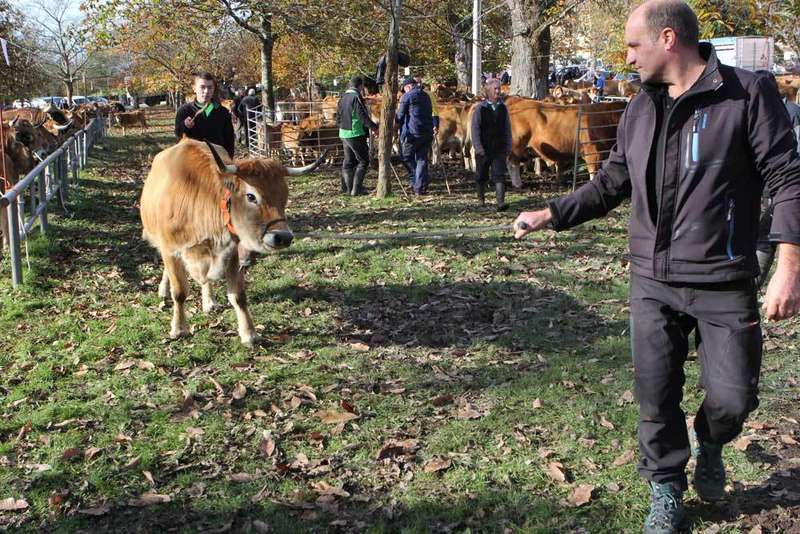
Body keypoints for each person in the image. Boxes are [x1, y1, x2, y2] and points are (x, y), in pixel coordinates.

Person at [513, 1, 800, 532]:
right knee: (655, 394)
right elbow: (611, 184)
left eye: (631, 46)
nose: (626, 58)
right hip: (652, 279)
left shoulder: (746, 95)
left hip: (723, 277)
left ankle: (711, 440)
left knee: (735, 397)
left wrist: (788, 265)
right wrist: (552, 212)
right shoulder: (639, 109)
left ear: (668, 39)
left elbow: (788, 180)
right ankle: (666, 489)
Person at [754, 70, 800, 289]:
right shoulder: (760, 111)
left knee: (768, 236)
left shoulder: (791, 112)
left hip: (786, 186)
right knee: (765, 235)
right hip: (767, 186)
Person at [471, 78, 512, 211]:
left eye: (499, 88)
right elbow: (475, 129)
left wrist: (508, 146)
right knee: (481, 175)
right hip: (484, 148)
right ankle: (481, 200)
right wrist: (478, 147)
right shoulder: (480, 108)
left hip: (499, 147)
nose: (498, 91)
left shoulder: (503, 108)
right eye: (495, 89)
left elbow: (507, 128)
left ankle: (500, 202)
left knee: (499, 174)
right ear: (488, 91)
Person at [175, 72, 235, 158]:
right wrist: (184, 126)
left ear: (214, 89)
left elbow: (229, 140)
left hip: (218, 161)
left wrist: (229, 161)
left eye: (210, 87)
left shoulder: (223, 112)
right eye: (202, 87)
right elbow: (178, 135)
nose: (206, 91)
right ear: (194, 88)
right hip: (192, 160)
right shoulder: (184, 111)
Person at [336, 76, 378, 196]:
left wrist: (341, 127)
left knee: (349, 161)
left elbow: (337, 117)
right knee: (363, 161)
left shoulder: (342, 98)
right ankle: (356, 189)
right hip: (355, 132)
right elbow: (362, 116)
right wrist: (374, 128)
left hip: (343, 132)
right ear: (360, 86)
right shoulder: (356, 97)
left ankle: (347, 188)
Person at [396, 78, 434, 195]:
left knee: (406, 157)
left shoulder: (406, 97)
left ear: (408, 86)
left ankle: (416, 178)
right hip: (427, 132)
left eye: (404, 88)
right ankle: (420, 187)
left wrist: (394, 126)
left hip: (412, 133)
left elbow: (400, 116)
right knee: (422, 159)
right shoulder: (426, 96)